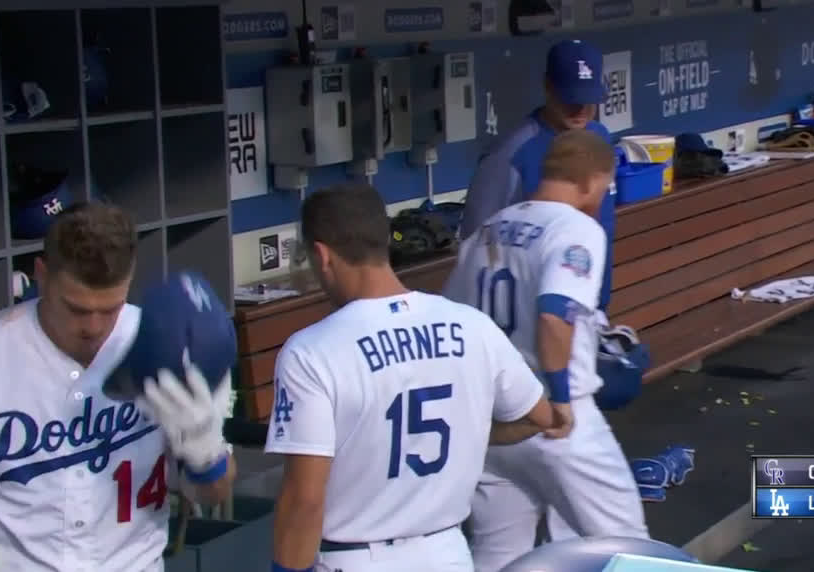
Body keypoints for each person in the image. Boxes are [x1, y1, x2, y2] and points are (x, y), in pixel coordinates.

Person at [265, 183, 555, 572]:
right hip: (447, 555)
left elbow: (304, 499)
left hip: (355, 559)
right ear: (384, 241)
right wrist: (468, 432)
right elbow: (539, 416)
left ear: (322, 255)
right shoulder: (472, 325)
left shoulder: (311, 351)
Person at [0, 202, 236, 572]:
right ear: (41, 275)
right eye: (76, 309)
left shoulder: (167, 348)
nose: (93, 327)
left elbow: (214, 495)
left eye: (110, 309)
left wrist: (206, 454)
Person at [443, 130, 649, 572]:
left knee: (500, 552)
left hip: (494, 423)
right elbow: (555, 315)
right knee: (630, 550)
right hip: (554, 418)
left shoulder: (486, 232)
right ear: (591, 181)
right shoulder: (575, 228)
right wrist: (558, 398)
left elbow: (451, 323)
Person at [459, 38, 617, 312]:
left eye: (587, 98)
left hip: (591, 306)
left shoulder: (600, 139)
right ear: (547, 87)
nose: (579, 108)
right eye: (570, 96)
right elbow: (475, 243)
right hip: (531, 313)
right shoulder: (510, 154)